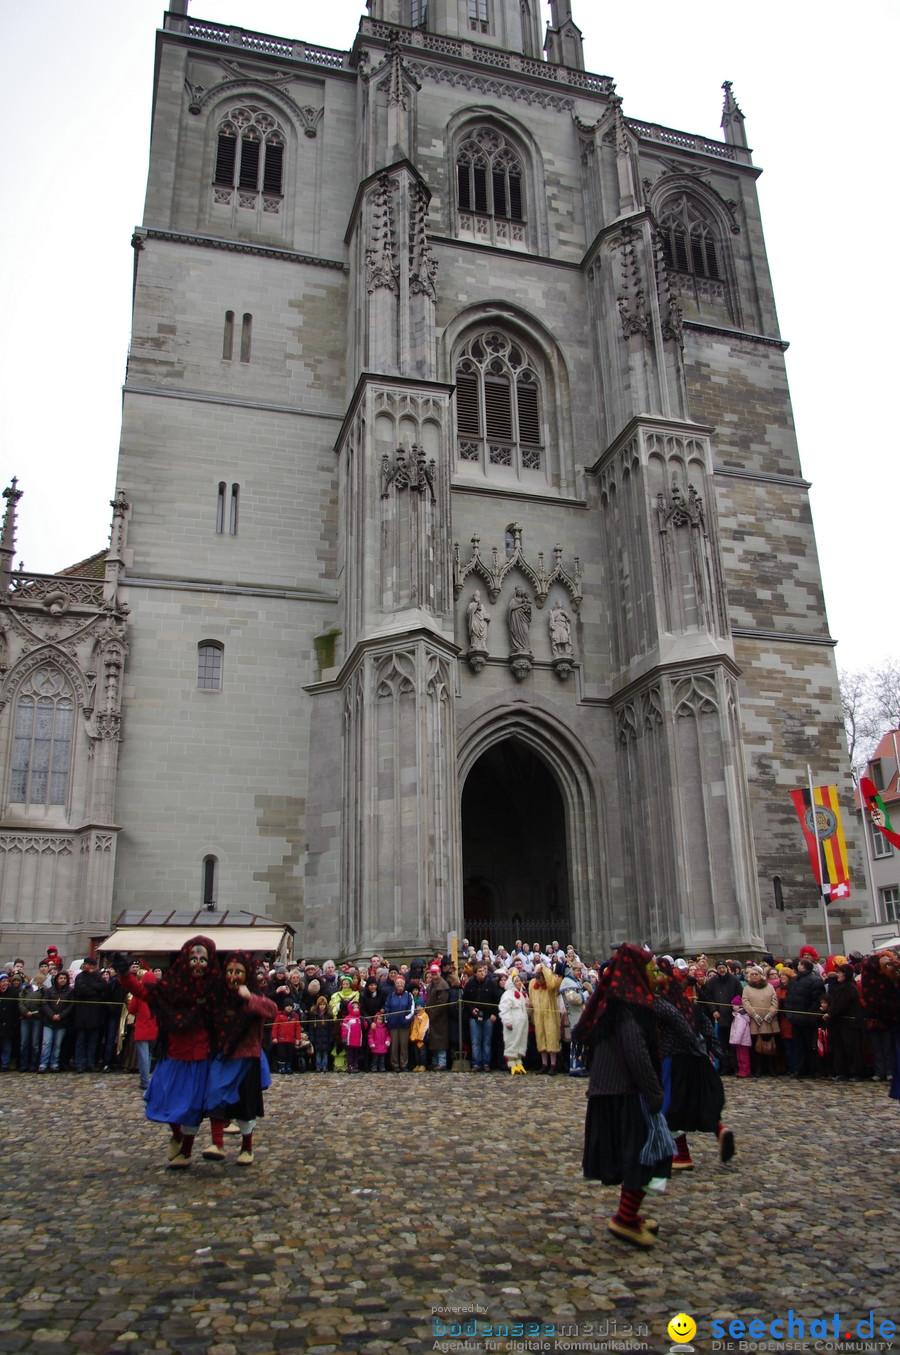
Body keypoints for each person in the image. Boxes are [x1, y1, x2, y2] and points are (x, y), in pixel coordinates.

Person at [579, 945, 672, 1249]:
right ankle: (625, 1217)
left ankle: (629, 1215)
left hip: (610, 1089)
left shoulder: (613, 1001)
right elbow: (635, 1050)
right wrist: (654, 1092)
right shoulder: (627, 1004)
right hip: (625, 1091)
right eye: (651, 967)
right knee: (648, 1155)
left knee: (637, 1154)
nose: (655, 972)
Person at [115, 935, 221, 1169]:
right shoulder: (172, 987)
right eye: (193, 958)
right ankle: (176, 1134)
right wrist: (125, 975)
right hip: (174, 1056)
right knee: (164, 1100)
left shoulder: (216, 989)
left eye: (203, 958)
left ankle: (186, 1151)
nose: (198, 963)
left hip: (200, 1059)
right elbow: (144, 992)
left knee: (192, 1109)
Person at [204, 951, 278, 1165]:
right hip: (222, 1055)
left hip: (247, 1055)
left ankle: (247, 1147)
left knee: (246, 1104)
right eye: (229, 971)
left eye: (238, 972)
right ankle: (217, 1143)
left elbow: (272, 1010)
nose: (233, 976)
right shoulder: (219, 996)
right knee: (215, 1095)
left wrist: (249, 997)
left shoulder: (253, 995)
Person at [824, 961, 864, 1081]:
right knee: (840, 1049)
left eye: (839, 973)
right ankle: (842, 1071)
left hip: (849, 1024)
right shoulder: (840, 987)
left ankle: (855, 1072)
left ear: (845, 974)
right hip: (839, 1024)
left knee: (851, 1049)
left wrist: (830, 1014)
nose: (837, 975)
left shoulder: (849, 987)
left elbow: (840, 1004)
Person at [786, 958, 826, 1079]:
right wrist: (789, 1013)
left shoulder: (815, 981)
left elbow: (816, 1000)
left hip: (807, 1019)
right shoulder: (794, 981)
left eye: (799, 965)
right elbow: (789, 998)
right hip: (795, 1018)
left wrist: (809, 1014)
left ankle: (813, 1069)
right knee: (798, 1046)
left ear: (803, 966)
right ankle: (800, 1069)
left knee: (810, 1045)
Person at [72, 956, 107, 1073]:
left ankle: (90, 1063)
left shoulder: (97, 977)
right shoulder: (80, 977)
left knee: (93, 1041)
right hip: (82, 1015)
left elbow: (104, 987)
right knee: (81, 1040)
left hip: (95, 1015)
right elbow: (82, 991)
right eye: (89, 965)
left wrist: (92, 987)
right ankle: (79, 1063)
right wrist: (95, 989)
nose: (91, 968)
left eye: (93, 966)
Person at [462, 962, 500, 1072]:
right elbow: (465, 1000)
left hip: (488, 1015)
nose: (482, 973)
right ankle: (476, 1063)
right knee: (475, 1041)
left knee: (487, 1041)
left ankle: (486, 1063)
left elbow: (496, 999)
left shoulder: (491, 983)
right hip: (474, 1016)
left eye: (483, 971)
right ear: (474, 973)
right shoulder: (470, 984)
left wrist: (494, 1013)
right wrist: (471, 1008)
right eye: (479, 971)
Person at [742, 966, 779, 1076]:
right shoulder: (747, 988)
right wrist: (753, 1014)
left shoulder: (770, 987)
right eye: (752, 975)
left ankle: (771, 1068)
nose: (754, 976)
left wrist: (771, 1013)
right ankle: (758, 1068)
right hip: (756, 1021)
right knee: (757, 1047)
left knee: (770, 1045)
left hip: (769, 1021)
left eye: (756, 974)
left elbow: (774, 1001)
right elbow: (746, 1002)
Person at [529, 963, 563, 1074]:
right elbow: (531, 998)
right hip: (539, 1015)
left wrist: (545, 970)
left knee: (551, 1037)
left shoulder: (549, 987)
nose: (539, 983)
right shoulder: (533, 986)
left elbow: (552, 984)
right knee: (541, 1039)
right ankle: (544, 1064)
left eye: (541, 980)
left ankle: (553, 1065)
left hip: (550, 1016)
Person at [38, 971, 74, 1071]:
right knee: (46, 1043)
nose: (62, 980)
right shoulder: (50, 990)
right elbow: (45, 1004)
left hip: (61, 1022)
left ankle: (54, 1063)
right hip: (49, 1022)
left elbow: (70, 1006)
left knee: (57, 1045)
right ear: (57, 979)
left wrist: (61, 1015)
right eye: (60, 978)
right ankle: (43, 1063)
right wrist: (52, 1015)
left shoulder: (70, 991)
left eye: (64, 978)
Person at [499, 969, 530, 1074]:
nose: (519, 983)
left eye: (520, 981)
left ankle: (519, 1062)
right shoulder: (508, 994)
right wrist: (507, 1021)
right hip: (513, 1020)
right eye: (516, 981)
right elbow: (504, 1009)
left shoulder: (523, 994)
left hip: (522, 1022)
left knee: (521, 1041)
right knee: (512, 1041)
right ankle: (511, 1063)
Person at [384, 974, 415, 1072]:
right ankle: (395, 1064)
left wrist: (407, 1018)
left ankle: (404, 1064)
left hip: (404, 1024)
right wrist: (387, 1018)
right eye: (397, 983)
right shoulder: (391, 996)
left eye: (401, 983)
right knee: (394, 1046)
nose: (399, 984)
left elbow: (412, 1009)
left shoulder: (408, 995)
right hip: (393, 1024)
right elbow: (387, 1008)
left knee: (404, 1045)